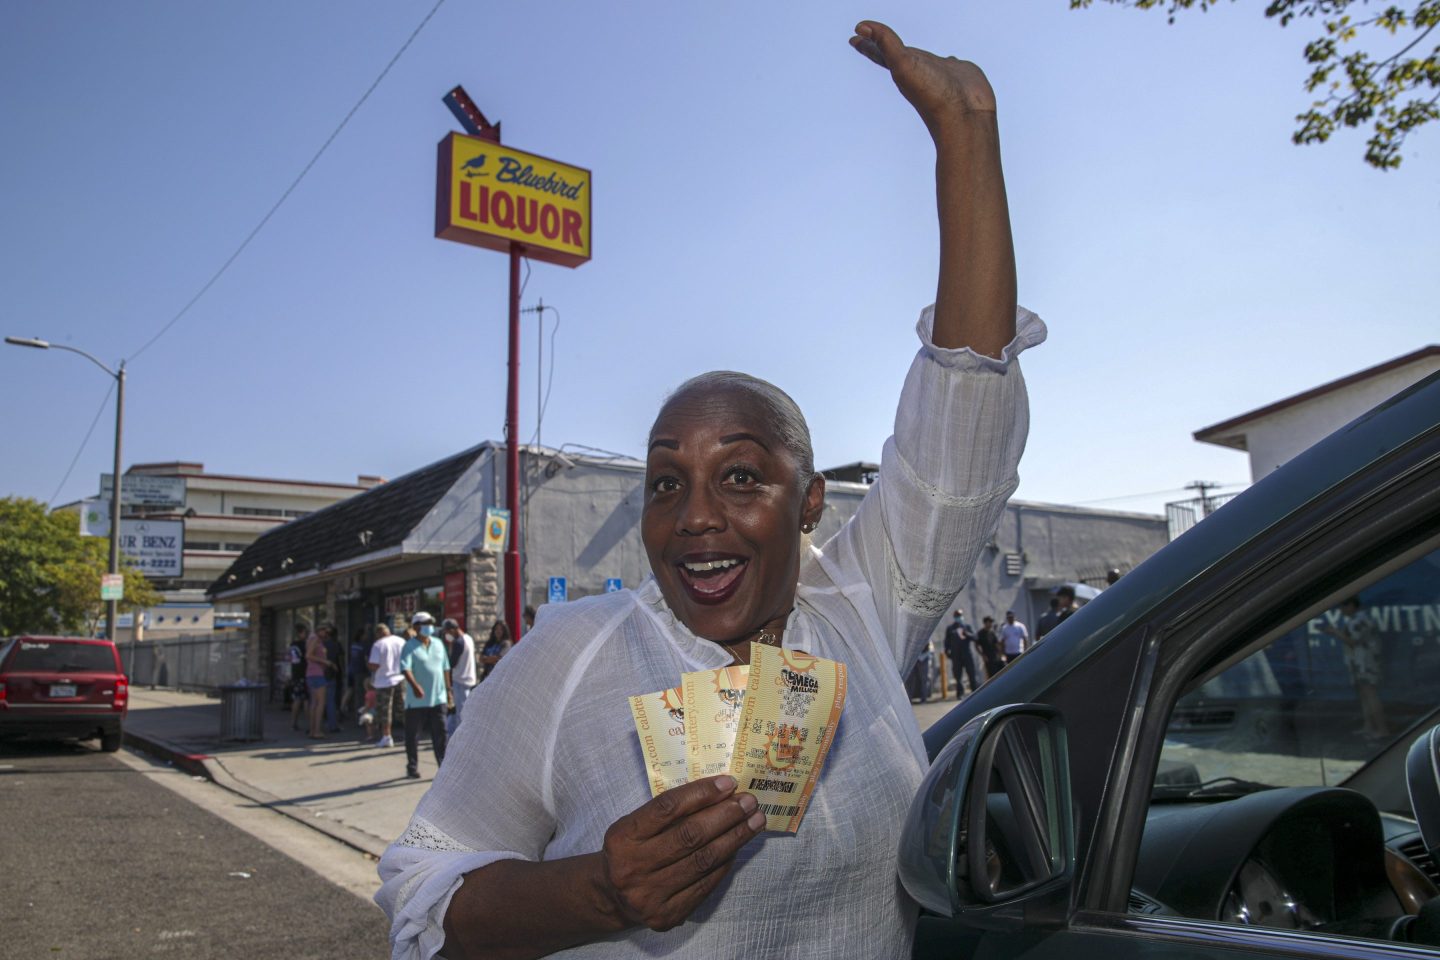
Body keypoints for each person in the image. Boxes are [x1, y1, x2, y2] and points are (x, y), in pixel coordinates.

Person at [378, 21, 1046, 958]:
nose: (695, 515)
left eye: (740, 475)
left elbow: (960, 429)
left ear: (809, 503)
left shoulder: (854, 616)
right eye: (665, 481)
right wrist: (600, 893)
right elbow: (421, 888)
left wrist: (967, 133)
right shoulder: (572, 659)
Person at [1322, 596, 1388, 739]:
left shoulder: (1359, 620)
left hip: (1365, 664)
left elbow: (1352, 641)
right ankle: (1369, 726)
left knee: (1370, 695)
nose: (1340, 610)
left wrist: (1335, 632)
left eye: (1343, 606)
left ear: (1351, 605)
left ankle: (1381, 729)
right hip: (1360, 663)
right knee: (1364, 696)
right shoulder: (1355, 620)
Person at [400, 611, 453, 780]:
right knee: (413, 735)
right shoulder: (409, 646)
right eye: (426, 623)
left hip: (438, 698)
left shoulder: (438, 643)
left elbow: (445, 668)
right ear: (416, 627)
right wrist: (415, 686)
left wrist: (448, 690)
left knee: (441, 734)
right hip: (417, 701)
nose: (430, 626)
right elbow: (405, 668)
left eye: (431, 623)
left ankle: (443, 767)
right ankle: (412, 767)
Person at [369, 623, 406, 748]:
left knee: (385, 711)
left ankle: (386, 736)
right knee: (402, 708)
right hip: (400, 678)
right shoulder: (401, 641)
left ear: (378, 633)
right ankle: (409, 734)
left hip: (383, 681)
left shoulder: (378, 644)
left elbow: (374, 665)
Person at [443, 619, 478, 735]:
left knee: (461, 713)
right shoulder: (468, 638)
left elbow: (451, 663)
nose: (447, 635)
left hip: (460, 679)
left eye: (447, 631)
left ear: (452, 630)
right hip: (470, 678)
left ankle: (461, 736)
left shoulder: (458, 642)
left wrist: (451, 647)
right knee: (467, 710)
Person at [304, 622, 333, 739]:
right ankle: (316, 731)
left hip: (311, 673)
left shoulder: (312, 638)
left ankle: (312, 730)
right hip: (317, 673)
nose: (326, 634)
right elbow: (308, 655)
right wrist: (325, 662)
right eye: (325, 631)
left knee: (314, 703)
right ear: (321, 630)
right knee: (320, 703)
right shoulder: (315, 638)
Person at [942, 608, 979, 696]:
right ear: (954, 617)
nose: (958, 617)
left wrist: (967, 634)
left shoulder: (967, 627)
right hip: (956, 656)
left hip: (967, 654)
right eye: (957, 616)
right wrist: (947, 652)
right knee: (958, 676)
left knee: (971, 673)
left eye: (960, 615)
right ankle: (960, 693)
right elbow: (947, 642)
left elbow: (975, 638)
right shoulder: (950, 628)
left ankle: (974, 692)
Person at [287, 622, 310, 731]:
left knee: (297, 699)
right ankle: (311, 724)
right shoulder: (304, 645)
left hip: (295, 674)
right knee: (306, 699)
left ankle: (293, 723)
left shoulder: (292, 645)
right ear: (301, 633)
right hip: (304, 674)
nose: (307, 635)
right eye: (306, 633)